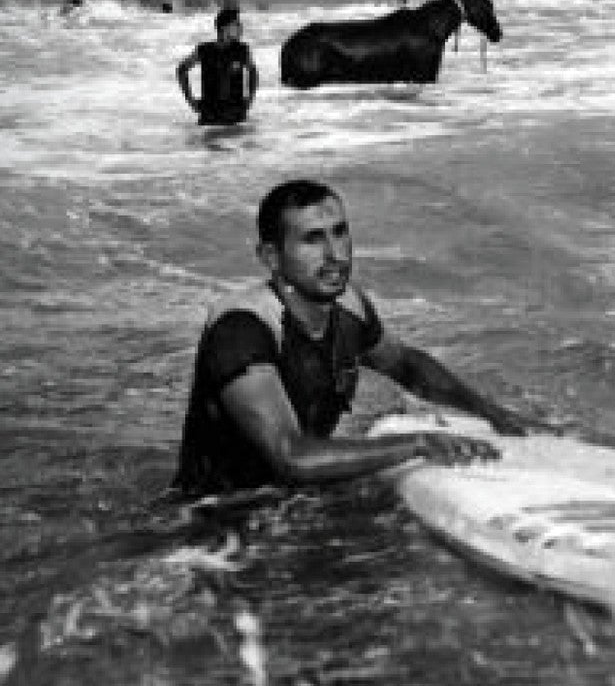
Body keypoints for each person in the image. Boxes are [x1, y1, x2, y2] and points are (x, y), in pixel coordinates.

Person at [173, 180, 528, 497]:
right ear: (271, 257)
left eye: (339, 232)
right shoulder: (242, 329)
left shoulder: (347, 305)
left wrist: (495, 415)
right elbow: (290, 455)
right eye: (313, 239)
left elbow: (407, 366)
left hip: (298, 504)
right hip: (217, 524)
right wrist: (419, 443)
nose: (335, 254)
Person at [177, 4, 260, 127]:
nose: (241, 28)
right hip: (210, 117)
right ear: (224, 28)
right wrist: (190, 100)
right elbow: (182, 69)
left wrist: (250, 98)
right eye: (236, 24)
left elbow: (253, 71)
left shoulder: (242, 50)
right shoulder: (205, 50)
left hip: (235, 116)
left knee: (239, 146)